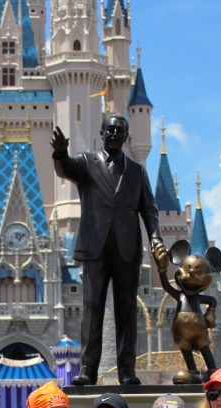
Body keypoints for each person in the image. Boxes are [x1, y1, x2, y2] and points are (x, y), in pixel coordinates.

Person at [51, 114, 169, 385]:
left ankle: (127, 372)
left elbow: (149, 209)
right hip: (95, 247)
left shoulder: (137, 171)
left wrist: (155, 238)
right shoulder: (87, 162)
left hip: (127, 249)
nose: (115, 133)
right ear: (101, 133)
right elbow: (65, 169)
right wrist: (60, 153)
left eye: (120, 130)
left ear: (126, 137)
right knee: (92, 308)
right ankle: (87, 370)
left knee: (126, 310)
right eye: (111, 129)